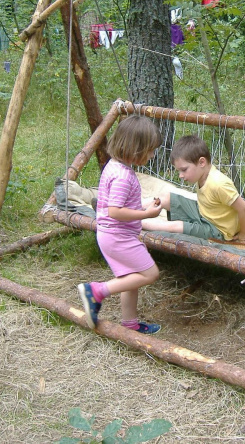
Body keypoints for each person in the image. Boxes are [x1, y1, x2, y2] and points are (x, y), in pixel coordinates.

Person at [78, 115, 163, 334]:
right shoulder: (123, 177)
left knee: (129, 278)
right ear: (135, 148)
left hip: (111, 234)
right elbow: (115, 211)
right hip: (118, 236)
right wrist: (146, 214)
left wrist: (145, 205)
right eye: (150, 150)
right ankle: (97, 291)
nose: (152, 155)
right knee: (150, 273)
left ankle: (130, 324)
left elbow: (121, 204)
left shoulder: (114, 166)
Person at [141, 134, 245, 243]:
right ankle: (131, 208)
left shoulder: (219, 184)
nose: (180, 175)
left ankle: (135, 222)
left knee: (176, 226)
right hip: (202, 212)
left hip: (217, 230)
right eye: (178, 171)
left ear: (202, 162)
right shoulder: (202, 174)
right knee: (167, 197)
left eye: (184, 170)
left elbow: (243, 208)